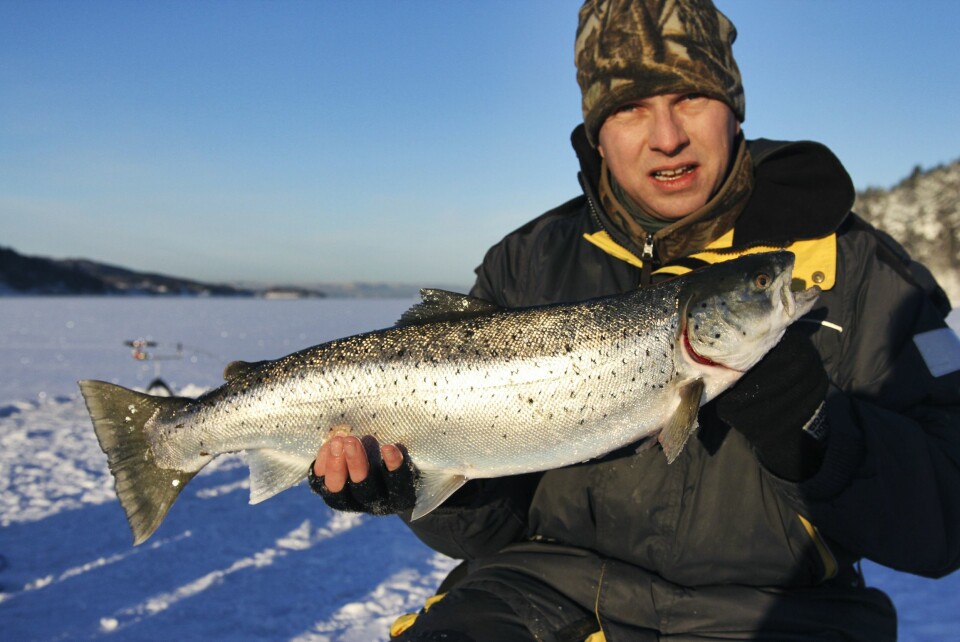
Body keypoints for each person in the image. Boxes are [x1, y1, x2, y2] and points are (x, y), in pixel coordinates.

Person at [309, 1, 960, 639]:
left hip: (779, 613)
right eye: (630, 108)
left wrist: (821, 435)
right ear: (596, 131)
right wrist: (413, 482)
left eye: (691, 99)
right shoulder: (525, 262)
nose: (668, 136)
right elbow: (486, 529)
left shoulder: (863, 271)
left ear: (734, 109)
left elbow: (947, 521)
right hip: (536, 592)